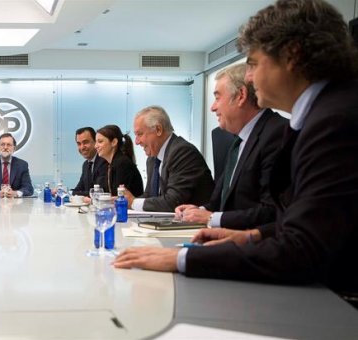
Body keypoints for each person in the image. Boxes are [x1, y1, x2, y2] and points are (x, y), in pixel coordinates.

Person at [114, 0, 358, 297]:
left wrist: (183, 258)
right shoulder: (325, 114)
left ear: (291, 55)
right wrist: (252, 236)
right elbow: (300, 220)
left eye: (253, 63)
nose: (251, 77)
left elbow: (302, 249)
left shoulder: (334, 123)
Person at [174, 64, 287, 229]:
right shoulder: (236, 141)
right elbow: (220, 202)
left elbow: (271, 211)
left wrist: (211, 218)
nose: (213, 107)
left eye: (218, 97)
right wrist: (198, 211)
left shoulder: (277, 134)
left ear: (241, 95)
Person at [125, 106, 213, 212]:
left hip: (193, 224)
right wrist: (124, 202)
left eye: (140, 134)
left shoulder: (182, 152)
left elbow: (173, 202)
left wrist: (133, 202)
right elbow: (150, 195)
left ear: (158, 129)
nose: (136, 142)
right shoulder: (152, 159)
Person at [94, 125, 143, 197]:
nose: (96, 146)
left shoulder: (122, 163)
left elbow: (119, 196)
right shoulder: (112, 163)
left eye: (100, 142)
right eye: (96, 142)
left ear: (114, 142)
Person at [71, 127, 108, 196]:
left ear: (95, 142)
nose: (82, 147)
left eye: (85, 142)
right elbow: (78, 189)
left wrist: (76, 193)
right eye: (79, 144)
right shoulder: (86, 165)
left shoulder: (104, 161)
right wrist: (64, 192)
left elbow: (99, 192)